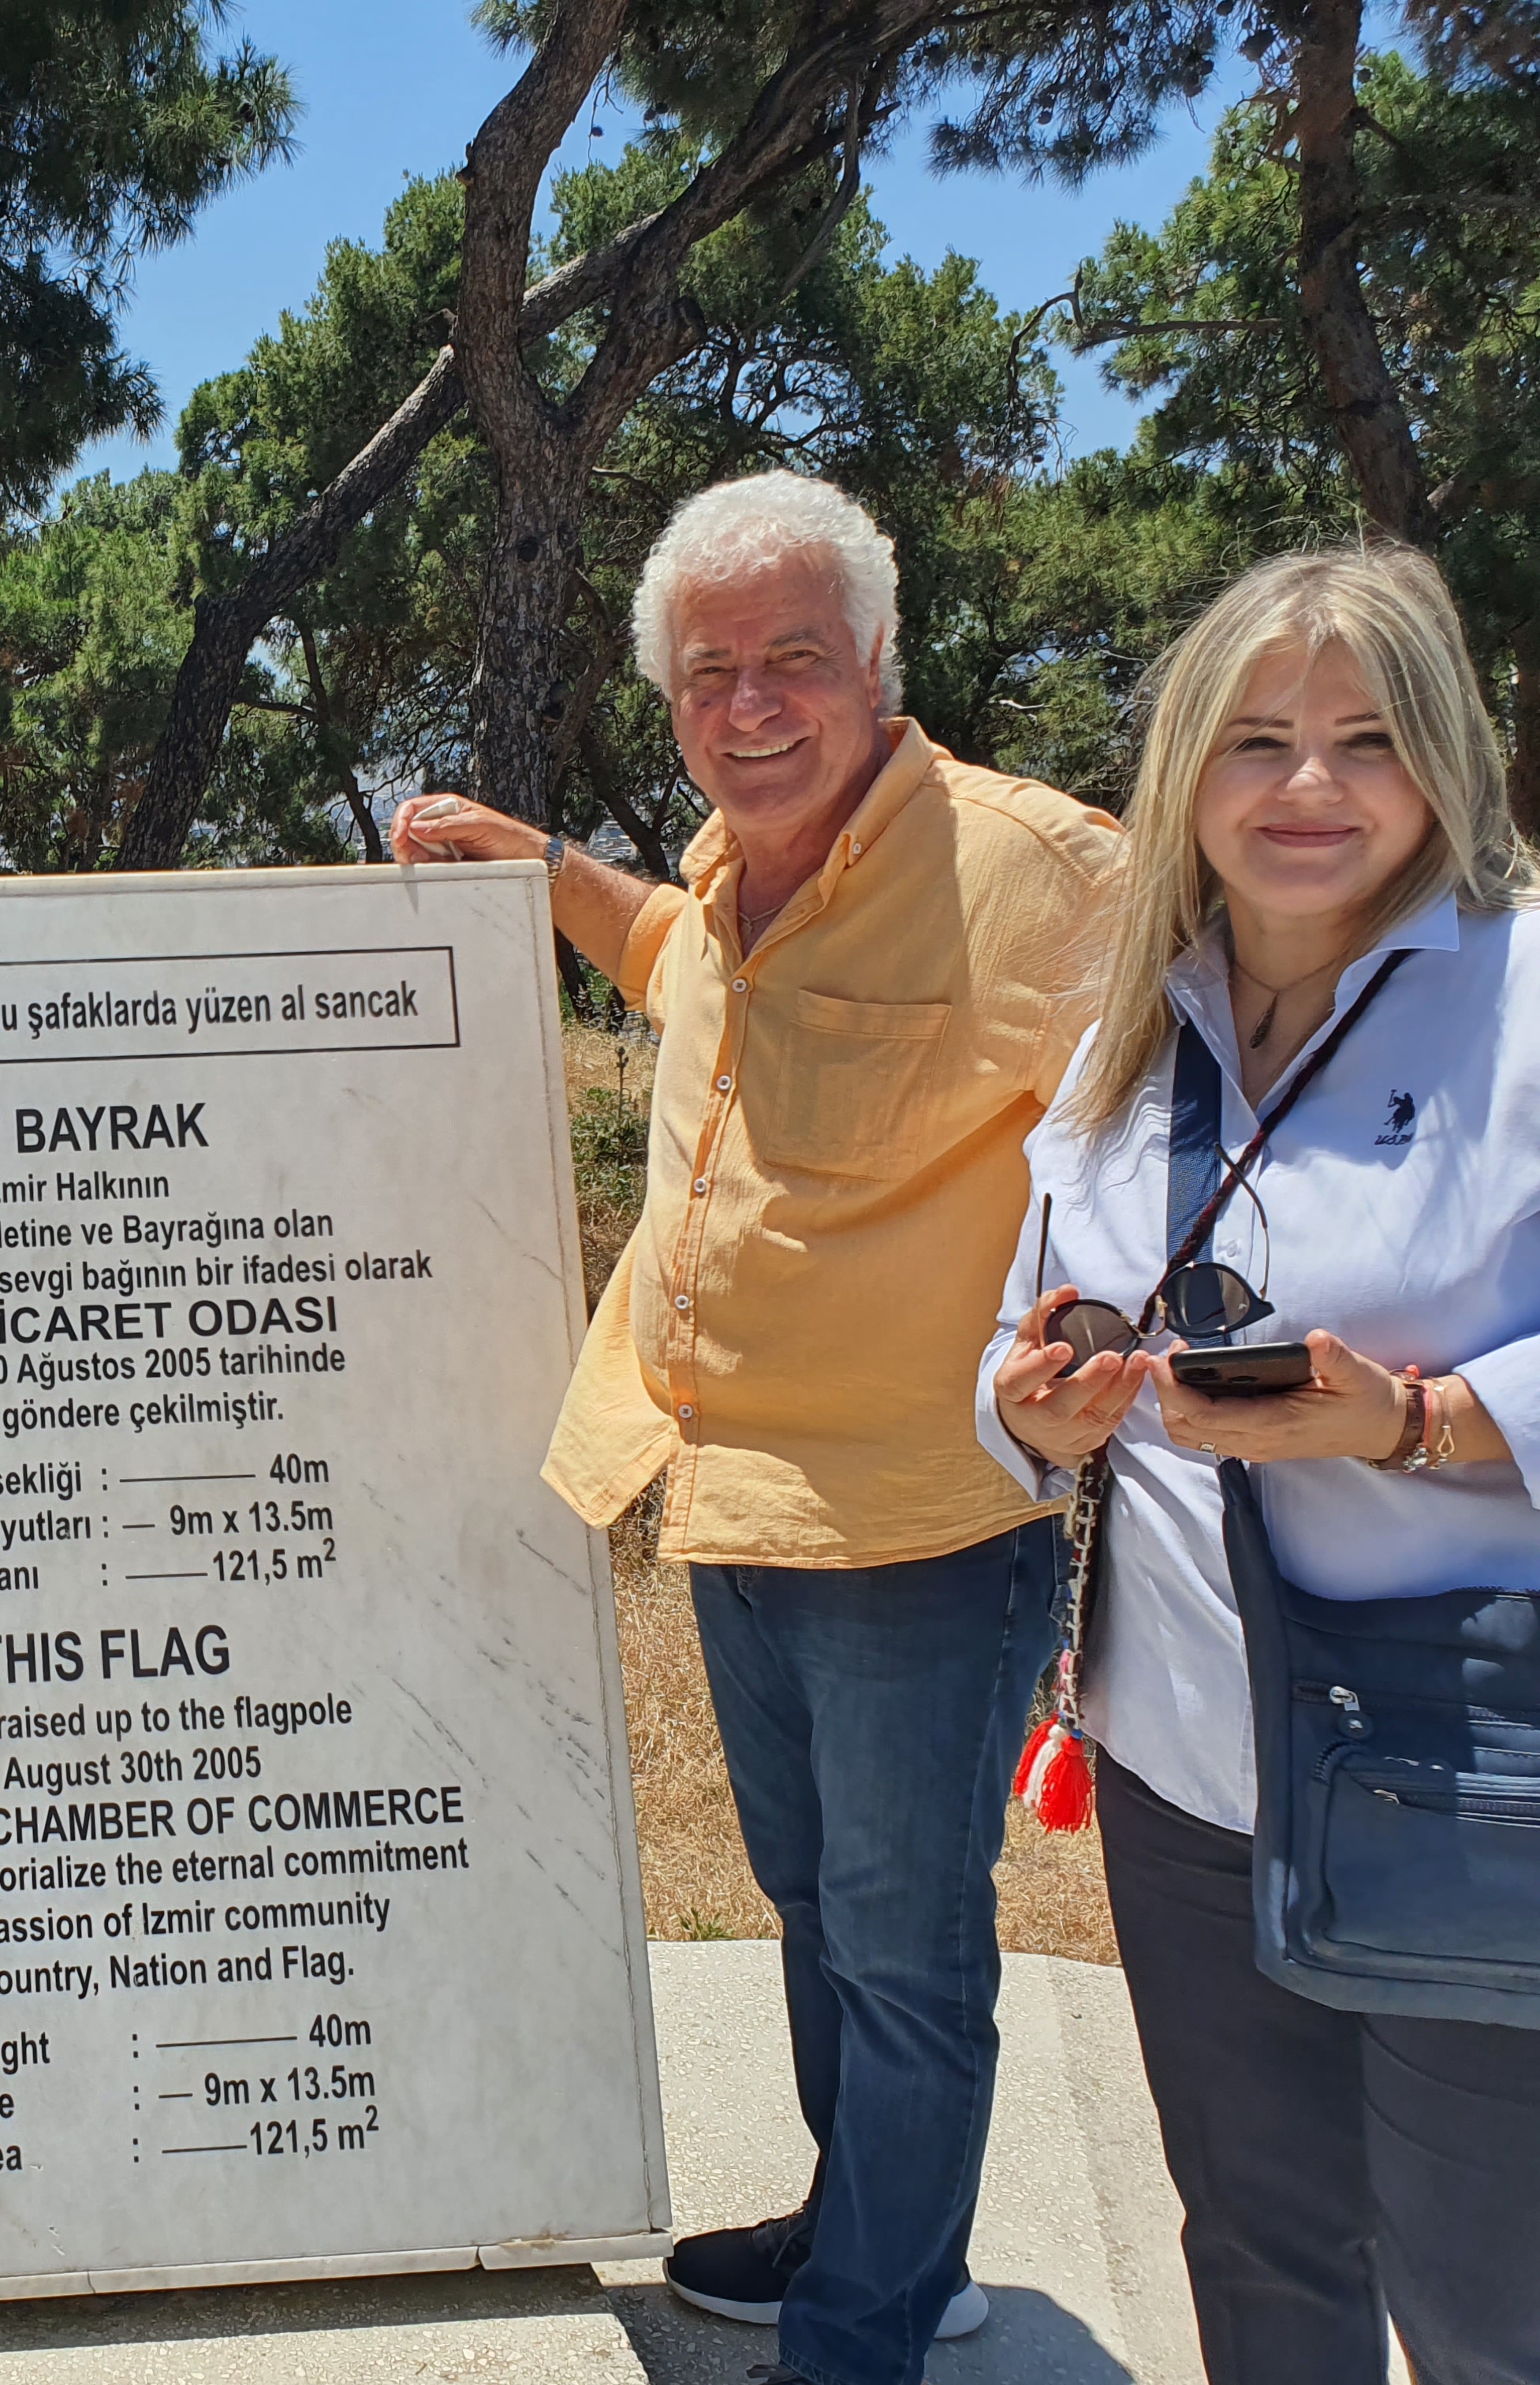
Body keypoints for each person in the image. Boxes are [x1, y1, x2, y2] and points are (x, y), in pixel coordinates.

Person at [396, 471, 1120, 2385]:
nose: (751, 702)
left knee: (906, 1944)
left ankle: (871, 2324)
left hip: (924, 1528)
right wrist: (545, 867)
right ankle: (858, 2224)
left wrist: (1118, 1327)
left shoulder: (1038, 872)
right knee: (818, 1912)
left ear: (880, 661)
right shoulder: (732, 873)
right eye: (709, 671)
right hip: (730, 1503)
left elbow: (1195, 1081)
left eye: (795, 657)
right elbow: (681, 967)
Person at [984, 545, 1540, 2384]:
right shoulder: (1127, 1035)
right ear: (1187, 772)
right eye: (1258, 739)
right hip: (1187, 1768)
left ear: (1447, 758)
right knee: (1255, 2248)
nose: (1311, 787)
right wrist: (1035, 1403)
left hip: (1468, 1769)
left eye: (1369, 738)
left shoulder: (1525, 996)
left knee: (1489, 2297)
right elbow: (1020, 1337)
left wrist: (1415, 1421)